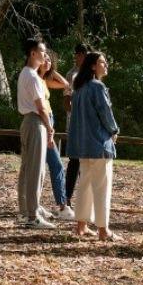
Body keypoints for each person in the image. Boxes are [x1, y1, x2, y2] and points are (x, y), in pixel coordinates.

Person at [64, 50, 119, 241]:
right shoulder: (97, 87)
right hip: (98, 144)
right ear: (93, 66)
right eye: (103, 62)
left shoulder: (79, 89)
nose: (106, 65)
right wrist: (113, 131)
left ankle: (81, 225)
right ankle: (103, 230)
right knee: (102, 187)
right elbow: (105, 113)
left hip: (82, 146)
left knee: (85, 185)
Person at [14, 38, 54, 228]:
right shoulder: (31, 75)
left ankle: (26, 211)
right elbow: (41, 106)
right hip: (35, 122)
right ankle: (32, 215)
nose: (45, 55)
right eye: (42, 51)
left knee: (27, 168)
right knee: (35, 170)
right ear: (32, 53)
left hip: (29, 122)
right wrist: (49, 127)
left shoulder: (26, 74)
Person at [39, 52, 76, 220]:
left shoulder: (44, 80)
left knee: (42, 167)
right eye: (44, 58)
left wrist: (49, 69)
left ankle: (35, 204)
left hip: (48, 121)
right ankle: (62, 206)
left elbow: (65, 83)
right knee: (57, 165)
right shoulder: (34, 79)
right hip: (43, 123)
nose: (47, 60)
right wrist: (49, 129)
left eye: (49, 58)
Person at [61, 43, 88, 206]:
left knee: (87, 164)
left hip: (90, 127)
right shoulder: (71, 75)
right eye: (76, 53)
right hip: (75, 125)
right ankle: (67, 198)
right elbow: (66, 101)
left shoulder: (91, 74)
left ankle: (85, 201)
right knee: (74, 161)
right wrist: (76, 114)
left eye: (80, 53)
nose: (77, 56)